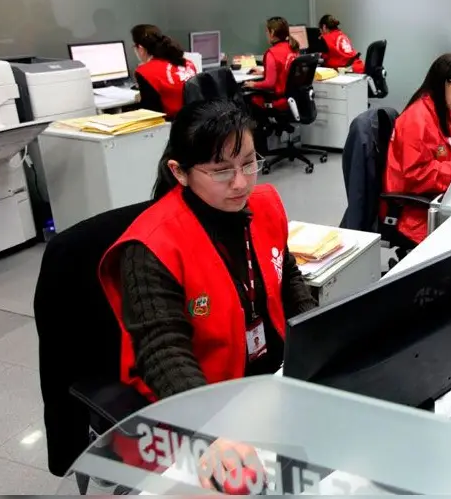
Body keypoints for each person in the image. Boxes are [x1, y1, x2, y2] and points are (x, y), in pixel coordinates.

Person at [99, 99, 317, 403]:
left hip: (274, 377)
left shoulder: (263, 203)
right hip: (206, 397)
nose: (241, 183)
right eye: (221, 171)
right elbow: (163, 350)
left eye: (249, 162)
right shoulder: (150, 247)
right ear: (180, 172)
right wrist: (208, 426)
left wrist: (320, 344)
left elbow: (287, 274)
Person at [383, 53, 451, 244]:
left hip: (437, 198)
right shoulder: (417, 119)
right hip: (415, 212)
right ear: (443, 82)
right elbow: (417, 175)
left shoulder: (440, 111)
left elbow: (450, 152)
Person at [130, 24, 197, 119]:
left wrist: (142, 100)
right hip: (195, 120)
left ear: (140, 49)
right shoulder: (188, 63)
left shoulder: (145, 71)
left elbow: (150, 112)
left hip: (171, 125)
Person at [244, 17, 301, 111]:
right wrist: (264, 73)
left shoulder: (272, 53)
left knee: (247, 98)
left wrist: (253, 84)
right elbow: (286, 71)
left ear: (273, 32)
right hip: (292, 98)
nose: (266, 34)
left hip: (279, 100)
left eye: (267, 31)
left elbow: (269, 83)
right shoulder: (292, 48)